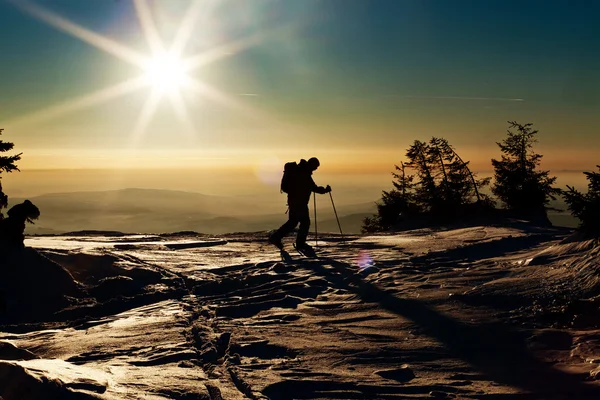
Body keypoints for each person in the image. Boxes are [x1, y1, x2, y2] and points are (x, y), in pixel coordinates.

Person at [268, 157, 331, 252]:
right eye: (315, 166)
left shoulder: (301, 170)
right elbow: (314, 188)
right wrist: (325, 190)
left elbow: (310, 187)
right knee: (304, 223)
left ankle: (276, 237)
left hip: (294, 201)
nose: (316, 169)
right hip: (300, 202)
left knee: (293, 222)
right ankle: (299, 243)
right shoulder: (304, 173)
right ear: (312, 165)